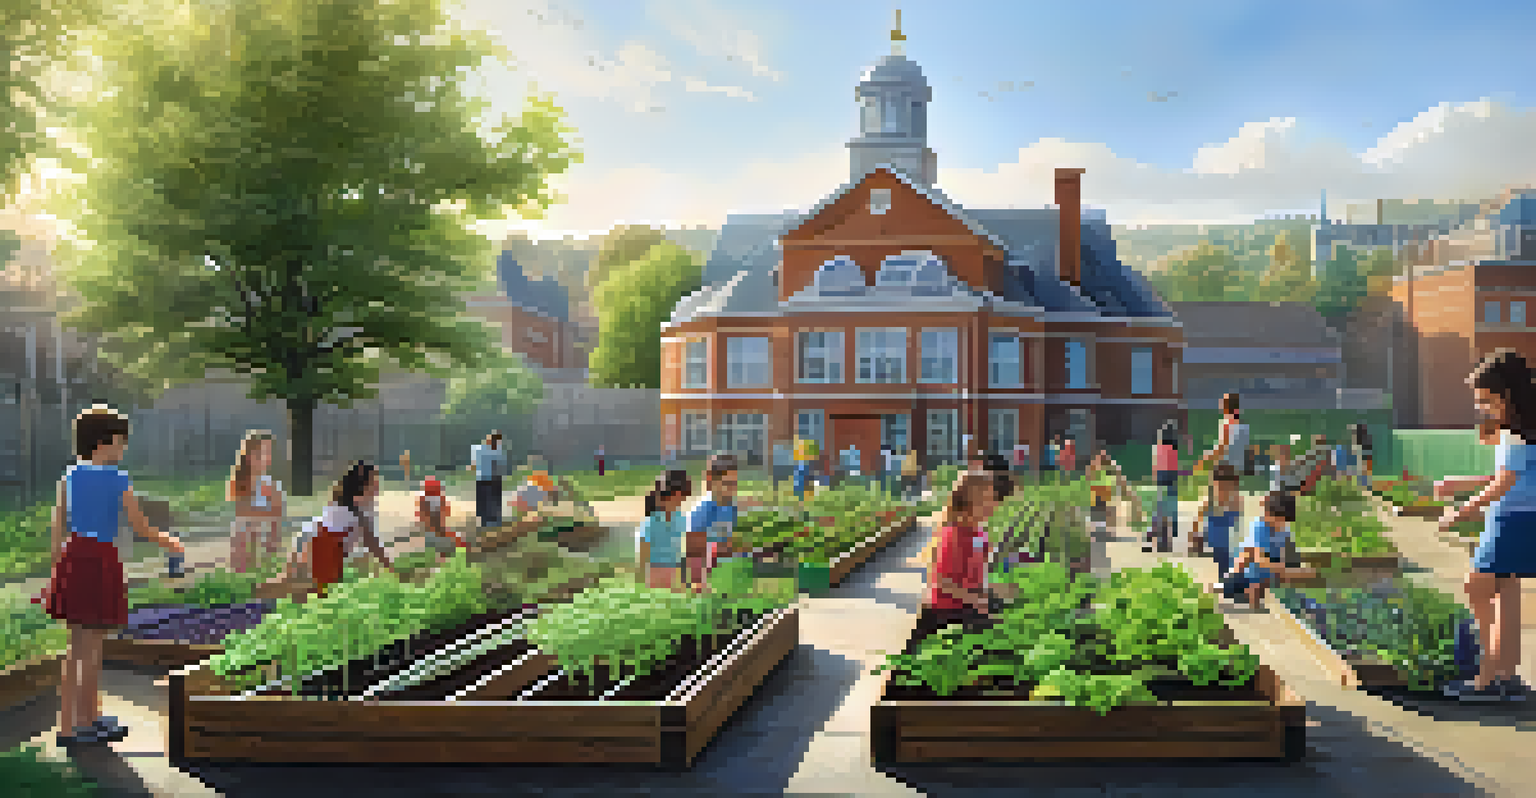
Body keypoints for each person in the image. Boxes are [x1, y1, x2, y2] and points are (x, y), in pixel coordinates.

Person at [40, 406, 184, 747]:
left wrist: (56, 570)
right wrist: (170, 542)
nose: (123, 449)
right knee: (92, 647)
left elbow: (57, 528)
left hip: (72, 558)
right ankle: (87, 723)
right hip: (100, 560)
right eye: (121, 442)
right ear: (105, 442)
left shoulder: (69, 476)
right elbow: (140, 526)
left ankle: (68, 725)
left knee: (75, 648)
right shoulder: (118, 479)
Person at [1440, 348, 1536, 702]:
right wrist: (1462, 484)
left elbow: (1505, 482)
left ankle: (1486, 680)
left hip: (1510, 518)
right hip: (1525, 516)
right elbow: (1513, 474)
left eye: (1486, 399)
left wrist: (1461, 511)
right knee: (1506, 593)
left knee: (1477, 588)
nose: (1482, 407)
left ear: (1506, 395)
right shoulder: (1526, 427)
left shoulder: (1512, 431)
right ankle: (1506, 678)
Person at [914, 470, 1014, 643]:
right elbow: (941, 582)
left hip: (968, 605)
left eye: (993, 498)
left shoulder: (980, 533)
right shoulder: (953, 535)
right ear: (968, 504)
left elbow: (976, 575)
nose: (993, 505)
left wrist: (996, 589)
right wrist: (977, 600)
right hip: (947, 615)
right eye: (985, 501)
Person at [293, 461, 396, 596]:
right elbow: (372, 544)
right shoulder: (359, 506)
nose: (377, 487)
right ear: (362, 486)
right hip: (318, 543)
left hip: (314, 540)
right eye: (374, 482)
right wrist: (394, 571)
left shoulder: (348, 502)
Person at [1221, 490, 1298, 609]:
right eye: (1279, 520)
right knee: (1234, 581)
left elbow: (1287, 555)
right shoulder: (1259, 527)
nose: (1281, 524)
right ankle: (1237, 586)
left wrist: (1286, 567)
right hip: (1249, 570)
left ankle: (1248, 588)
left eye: (1284, 521)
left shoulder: (1284, 530)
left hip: (1270, 563)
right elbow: (1257, 559)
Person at [227, 430, 284, 574]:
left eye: (268, 453)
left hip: (264, 540)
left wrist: (273, 546)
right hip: (243, 543)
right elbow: (241, 511)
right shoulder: (240, 482)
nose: (265, 458)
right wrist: (268, 512)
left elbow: (277, 517)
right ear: (248, 456)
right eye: (260, 453)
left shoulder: (271, 484)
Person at [687, 454, 742, 588]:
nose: (732, 489)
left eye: (734, 483)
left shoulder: (733, 509)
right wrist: (699, 583)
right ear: (710, 480)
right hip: (711, 578)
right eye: (727, 483)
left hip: (734, 573)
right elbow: (694, 555)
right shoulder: (700, 513)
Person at [638, 469, 692, 590]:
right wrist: (642, 585)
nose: (682, 501)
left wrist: (684, 579)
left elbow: (682, 552)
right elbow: (643, 557)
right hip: (654, 576)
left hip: (675, 575)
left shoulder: (681, 519)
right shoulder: (650, 522)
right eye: (682, 496)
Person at [1192, 464, 1243, 575]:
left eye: (1226, 488)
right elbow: (1197, 521)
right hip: (1214, 547)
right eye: (1219, 488)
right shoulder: (1210, 504)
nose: (1222, 492)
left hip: (1228, 549)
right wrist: (1196, 536)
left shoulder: (1235, 504)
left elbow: (1238, 531)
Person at [1200, 393, 1250, 476]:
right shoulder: (1245, 427)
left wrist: (1207, 457)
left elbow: (1222, 447)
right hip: (1240, 468)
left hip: (1226, 468)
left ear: (1225, 407)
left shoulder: (1226, 424)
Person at [416, 476, 465, 559]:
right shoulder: (427, 502)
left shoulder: (426, 501)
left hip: (436, 533)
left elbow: (424, 517)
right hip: (434, 534)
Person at [468, 432, 507, 528]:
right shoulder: (497, 452)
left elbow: (473, 465)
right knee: (492, 501)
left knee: (484, 502)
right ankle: (493, 520)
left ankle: (486, 521)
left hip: (483, 479)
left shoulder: (478, 449)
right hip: (493, 479)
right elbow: (500, 466)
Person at [1153, 423, 1181, 546]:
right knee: (1173, 503)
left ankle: (1159, 529)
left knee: (1161, 504)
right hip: (1172, 476)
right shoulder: (1174, 448)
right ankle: (1174, 529)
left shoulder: (1158, 448)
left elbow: (1155, 465)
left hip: (1161, 476)